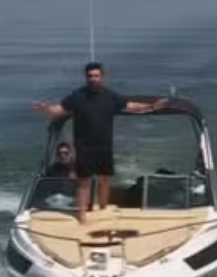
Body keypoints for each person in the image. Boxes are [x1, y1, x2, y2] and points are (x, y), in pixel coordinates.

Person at [32, 62, 168, 220]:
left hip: (104, 147)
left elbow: (130, 106)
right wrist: (45, 109)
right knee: (84, 183)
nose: (93, 79)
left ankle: (102, 210)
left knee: (105, 180)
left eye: (96, 76)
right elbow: (58, 111)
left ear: (102, 77)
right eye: (90, 76)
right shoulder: (77, 96)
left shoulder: (110, 96)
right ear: (86, 77)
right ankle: (82, 216)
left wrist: (152, 106)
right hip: (84, 148)